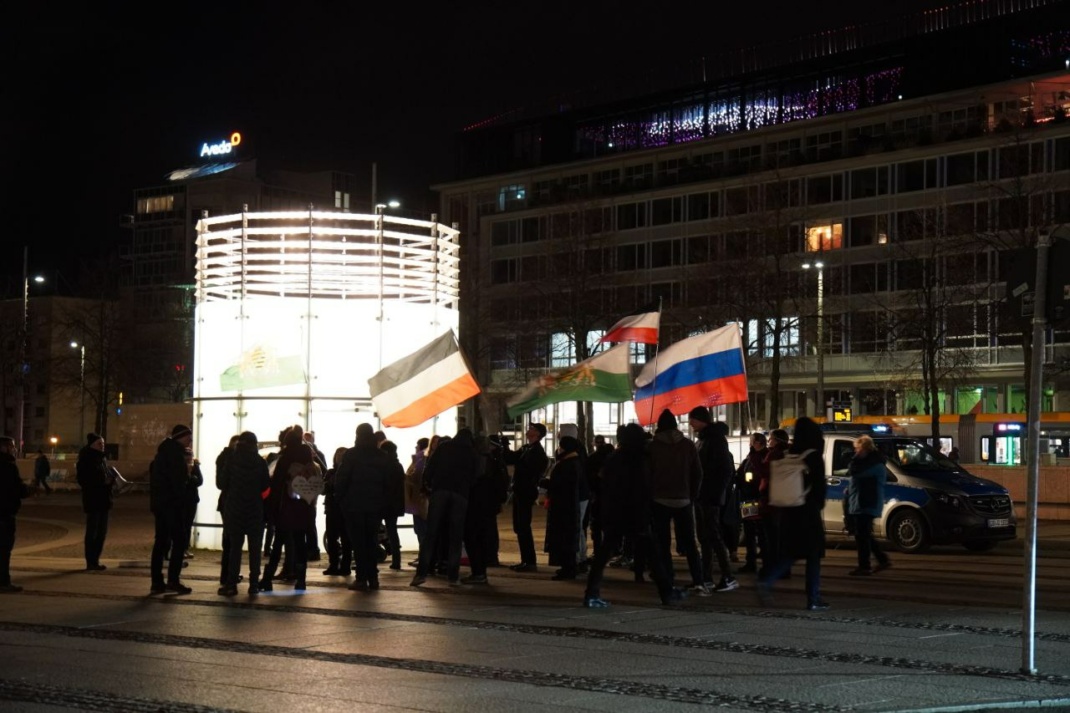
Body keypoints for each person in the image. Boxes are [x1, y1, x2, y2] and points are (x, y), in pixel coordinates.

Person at [583, 424, 681, 607]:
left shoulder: (614, 459)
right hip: (636, 514)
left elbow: (605, 483)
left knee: (604, 554)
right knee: (652, 555)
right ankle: (667, 592)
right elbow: (644, 488)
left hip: (614, 513)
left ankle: (591, 592)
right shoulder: (641, 459)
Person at [758, 417, 829, 611]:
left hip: (788, 510)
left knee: (791, 553)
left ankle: (767, 581)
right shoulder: (813, 455)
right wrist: (818, 504)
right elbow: (819, 486)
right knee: (813, 554)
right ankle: (813, 598)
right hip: (808, 511)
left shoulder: (789, 452)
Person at [411, 428, 479, 587]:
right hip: (460, 494)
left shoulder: (444, 447)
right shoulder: (471, 452)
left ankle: (421, 574)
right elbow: (476, 474)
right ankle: (453, 576)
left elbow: (430, 468)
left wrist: (429, 485)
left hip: (439, 492)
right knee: (455, 537)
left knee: (431, 534)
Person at [336, 424, 400, 591]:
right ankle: (373, 578)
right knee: (371, 541)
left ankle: (361, 578)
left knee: (358, 542)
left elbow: (342, 479)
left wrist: (340, 499)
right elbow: (388, 483)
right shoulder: (382, 456)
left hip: (354, 505)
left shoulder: (351, 454)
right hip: (375, 506)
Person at [648, 409, 706, 595]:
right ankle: (698, 580)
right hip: (683, 499)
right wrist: (692, 495)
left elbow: (647, 474)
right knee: (690, 542)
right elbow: (698, 473)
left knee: (663, 543)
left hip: (659, 500)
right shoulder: (688, 445)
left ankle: (668, 579)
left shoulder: (652, 447)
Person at [687, 407, 738, 593]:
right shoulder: (704, 440)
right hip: (703, 495)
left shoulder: (714, 440)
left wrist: (715, 493)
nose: (690, 423)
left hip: (709, 496)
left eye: (692, 419)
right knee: (705, 537)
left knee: (713, 535)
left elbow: (725, 470)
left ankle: (728, 577)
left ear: (701, 420)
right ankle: (705, 578)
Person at [217, 431, 271, 596]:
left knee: (235, 549)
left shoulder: (231, 461)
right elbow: (265, 486)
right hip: (255, 510)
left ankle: (231, 584)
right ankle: (254, 584)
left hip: (234, 510)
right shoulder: (260, 462)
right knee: (255, 550)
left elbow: (221, 484)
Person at [150, 424, 195, 594]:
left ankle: (156, 581)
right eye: (188, 437)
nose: (190, 440)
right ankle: (173, 580)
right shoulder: (176, 455)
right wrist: (189, 475)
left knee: (160, 542)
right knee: (179, 541)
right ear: (180, 437)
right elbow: (178, 483)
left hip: (160, 505)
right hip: (173, 505)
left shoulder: (162, 454)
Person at [505, 423, 549, 572]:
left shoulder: (537, 452)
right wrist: (503, 447)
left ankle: (529, 561)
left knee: (523, 525)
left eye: (532, 429)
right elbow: (511, 458)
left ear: (537, 434)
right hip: (519, 490)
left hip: (526, 492)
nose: (528, 430)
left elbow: (532, 470)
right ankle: (525, 560)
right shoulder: (526, 448)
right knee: (519, 526)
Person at [846, 434, 892, 576]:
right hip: (861, 502)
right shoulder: (870, 463)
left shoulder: (873, 465)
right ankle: (881, 559)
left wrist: (854, 460)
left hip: (866, 503)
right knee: (864, 535)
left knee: (862, 535)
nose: (856, 452)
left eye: (858, 449)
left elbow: (854, 472)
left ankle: (865, 566)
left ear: (865, 449)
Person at [542, 435, 585, 581]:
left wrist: (546, 483)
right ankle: (567, 567)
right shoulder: (574, 462)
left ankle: (568, 568)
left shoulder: (568, 464)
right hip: (568, 504)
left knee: (565, 537)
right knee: (567, 537)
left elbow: (560, 484)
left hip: (564, 506)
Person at [76, 433, 113, 571]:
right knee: (93, 531)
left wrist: (110, 481)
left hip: (104, 499)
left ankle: (95, 560)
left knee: (102, 532)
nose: (102, 446)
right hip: (93, 499)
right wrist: (102, 481)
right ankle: (90, 561)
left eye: (103, 443)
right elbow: (84, 480)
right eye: (99, 443)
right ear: (92, 445)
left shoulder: (101, 458)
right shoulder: (86, 459)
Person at [735, 432, 769, 574]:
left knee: (757, 532)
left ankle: (757, 563)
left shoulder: (760, 457)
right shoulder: (751, 456)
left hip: (754, 497)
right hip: (748, 498)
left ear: (758, 443)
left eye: (752, 441)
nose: (750, 444)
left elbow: (755, 476)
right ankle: (752, 561)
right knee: (751, 531)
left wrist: (745, 482)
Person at [759, 428, 790, 577]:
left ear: (776, 440)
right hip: (786, 500)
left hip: (771, 500)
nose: (769, 441)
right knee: (782, 538)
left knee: (771, 538)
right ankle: (784, 569)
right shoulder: (790, 453)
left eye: (770, 438)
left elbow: (764, 471)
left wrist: (755, 454)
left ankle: (772, 568)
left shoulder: (774, 454)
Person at [0, 436, 28, 593]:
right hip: (5, 513)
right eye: (11, 446)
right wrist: (25, 490)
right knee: (4, 550)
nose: (14, 449)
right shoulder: (8, 466)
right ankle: (3, 582)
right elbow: (16, 488)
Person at [322, 446, 353, 576]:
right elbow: (322, 490)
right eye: (338, 454)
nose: (339, 457)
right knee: (332, 537)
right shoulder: (330, 473)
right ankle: (333, 563)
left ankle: (345, 565)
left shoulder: (350, 472)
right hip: (332, 509)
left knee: (346, 539)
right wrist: (328, 484)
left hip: (345, 509)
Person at [215, 435, 240, 586]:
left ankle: (230, 573)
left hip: (227, 502)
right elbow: (220, 483)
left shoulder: (225, 458)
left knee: (231, 540)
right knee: (230, 540)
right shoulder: (226, 458)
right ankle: (227, 575)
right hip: (228, 503)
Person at [379, 440, 406, 571]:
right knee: (392, 531)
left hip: (383, 503)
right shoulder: (398, 465)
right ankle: (397, 560)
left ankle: (373, 558)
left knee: (375, 531)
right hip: (395, 504)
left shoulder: (383, 465)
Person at [180, 447, 203, 559]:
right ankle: (181, 548)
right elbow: (185, 482)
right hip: (183, 500)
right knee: (182, 525)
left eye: (191, 455)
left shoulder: (194, 467)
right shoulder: (181, 468)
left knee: (188, 525)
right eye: (187, 455)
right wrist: (190, 476)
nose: (189, 457)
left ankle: (185, 548)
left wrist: (194, 471)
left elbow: (199, 481)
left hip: (192, 500)